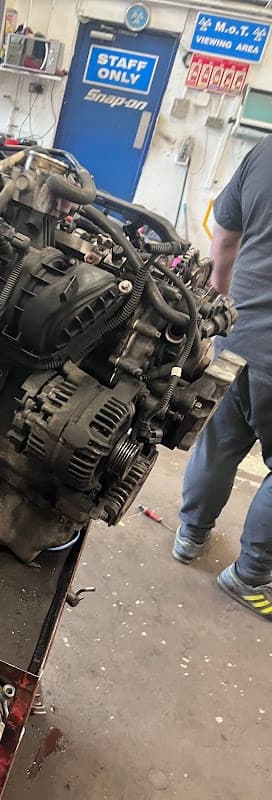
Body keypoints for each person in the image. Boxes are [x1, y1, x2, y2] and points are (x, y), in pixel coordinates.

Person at [173, 134, 272, 620]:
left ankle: (190, 536)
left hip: (237, 333)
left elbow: (224, 243)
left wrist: (220, 314)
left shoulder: (265, 152)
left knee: (219, 442)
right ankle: (251, 576)